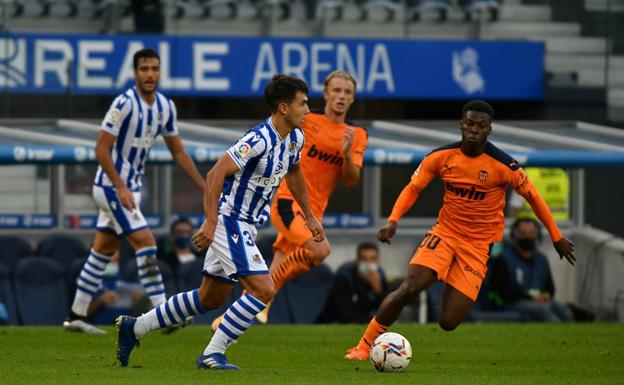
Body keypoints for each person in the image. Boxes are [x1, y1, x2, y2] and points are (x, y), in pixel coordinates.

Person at [115, 74, 325, 370]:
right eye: (302, 104)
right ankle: (212, 354)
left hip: (247, 225)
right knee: (264, 289)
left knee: (210, 298)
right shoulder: (257, 139)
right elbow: (216, 174)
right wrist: (211, 222)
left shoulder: (294, 139)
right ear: (283, 107)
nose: (308, 109)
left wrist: (311, 217)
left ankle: (134, 328)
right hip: (231, 222)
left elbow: (295, 174)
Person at [344, 100, 576, 360]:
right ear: (461, 124)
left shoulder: (504, 166)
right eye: (469, 123)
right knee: (409, 287)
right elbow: (413, 188)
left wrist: (556, 237)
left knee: (448, 322)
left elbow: (534, 198)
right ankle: (364, 346)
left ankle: (450, 276)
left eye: (481, 125)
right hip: (445, 234)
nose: (474, 129)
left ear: (490, 129)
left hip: (477, 246)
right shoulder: (441, 156)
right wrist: (393, 220)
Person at [63, 48, 205, 334]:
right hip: (111, 187)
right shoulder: (124, 104)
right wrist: (120, 186)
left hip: (131, 189)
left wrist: (204, 186)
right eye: (144, 69)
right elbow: (100, 148)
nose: (150, 74)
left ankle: (76, 316)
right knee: (147, 243)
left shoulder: (165, 106)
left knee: (102, 252)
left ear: (160, 71)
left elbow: (178, 152)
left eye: (154, 68)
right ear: (135, 73)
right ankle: (164, 314)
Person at [210, 70, 367, 330]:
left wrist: (348, 154)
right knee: (320, 250)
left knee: (281, 261)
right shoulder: (305, 119)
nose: (341, 96)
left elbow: (351, 181)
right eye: (336, 90)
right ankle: (268, 292)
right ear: (326, 93)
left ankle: (227, 319)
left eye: (347, 92)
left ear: (353, 99)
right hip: (286, 201)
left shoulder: (356, 134)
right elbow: (278, 138)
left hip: (314, 211)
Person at [489, 218, 573, 322]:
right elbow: (502, 292)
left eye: (531, 233)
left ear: (537, 236)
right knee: (546, 314)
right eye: (523, 233)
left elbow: (549, 287)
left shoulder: (541, 259)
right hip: (513, 303)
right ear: (514, 235)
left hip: (539, 301)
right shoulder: (503, 260)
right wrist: (530, 298)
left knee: (566, 313)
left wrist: (546, 294)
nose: (527, 237)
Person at [317, 242, 389, 324]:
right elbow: (346, 315)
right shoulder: (344, 278)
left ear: (378, 261)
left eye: (373, 259)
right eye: (364, 259)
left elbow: (387, 312)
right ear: (357, 261)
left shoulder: (380, 277)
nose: (369, 264)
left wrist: (377, 289)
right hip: (335, 324)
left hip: (367, 323)